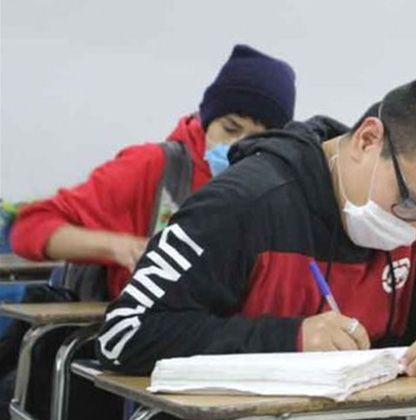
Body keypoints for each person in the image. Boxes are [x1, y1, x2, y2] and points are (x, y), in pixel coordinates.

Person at [95, 75, 416, 379]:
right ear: (367, 140)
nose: (413, 231)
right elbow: (124, 334)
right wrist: (290, 338)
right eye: (408, 205)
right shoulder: (241, 204)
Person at [11, 44, 296, 300]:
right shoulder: (152, 167)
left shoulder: (274, 190)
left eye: (256, 139)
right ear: (207, 120)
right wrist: (119, 247)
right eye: (230, 128)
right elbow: (29, 228)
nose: (237, 145)